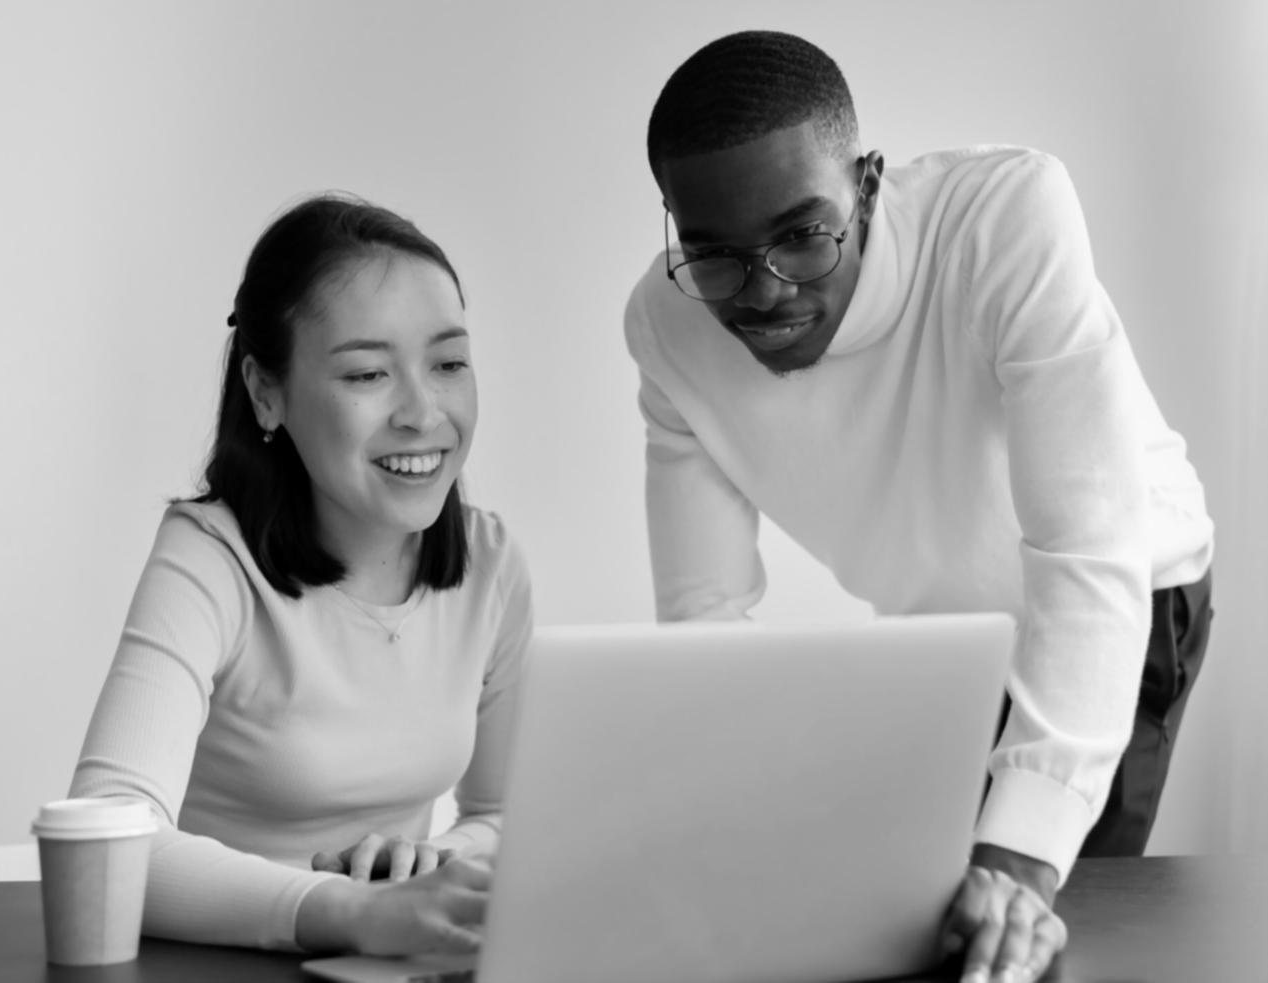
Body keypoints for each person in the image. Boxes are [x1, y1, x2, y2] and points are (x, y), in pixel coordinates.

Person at [624, 30, 1213, 983]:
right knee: (899, 927)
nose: (764, 291)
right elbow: (704, 618)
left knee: (1016, 935)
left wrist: (1018, 864)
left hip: (1127, 593)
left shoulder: (1005, 217)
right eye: (715, 255)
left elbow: (1087, 542)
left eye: (801, 236)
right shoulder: (663, 326)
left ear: (866, 183)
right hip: (945, 632)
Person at [69, 193, 533, 955]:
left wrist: (428, 867)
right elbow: (109, 832)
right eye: (367, 373)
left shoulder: (491, 562)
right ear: (265, 391)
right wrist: (347, 910)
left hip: (392, 964)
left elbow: (504, 816)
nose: (422, 412)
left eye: (449, 363)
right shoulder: (210, 556)